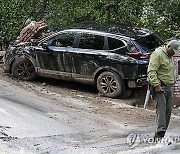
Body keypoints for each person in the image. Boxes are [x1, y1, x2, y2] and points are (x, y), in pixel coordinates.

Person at [147, 39, 180, 141]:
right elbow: (151, 71)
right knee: (161, 111)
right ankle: (159, 135)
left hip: (167, 87)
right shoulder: (158, 54)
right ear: (169, 46)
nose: (174, 53)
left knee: (168, 111)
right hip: (159, 86)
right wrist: (156, 85)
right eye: (173, 51)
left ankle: (162, 134)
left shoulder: (170, 56)